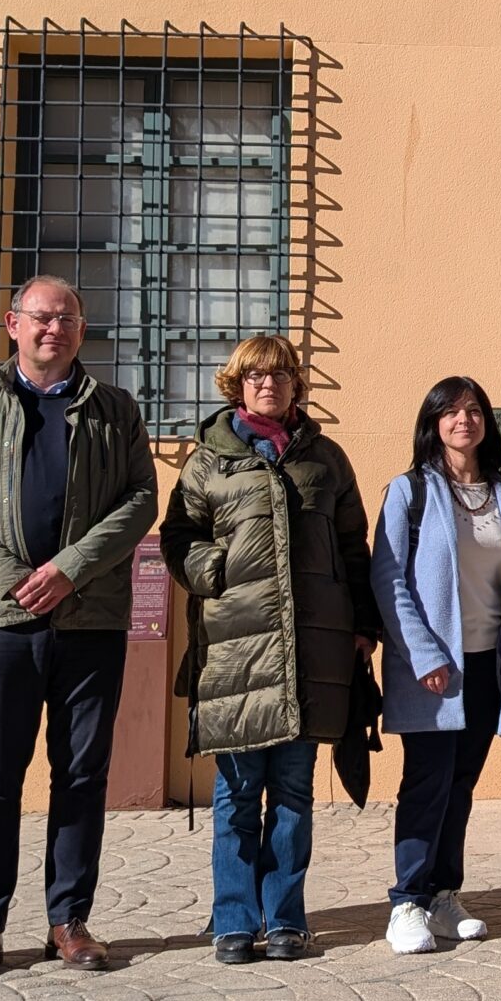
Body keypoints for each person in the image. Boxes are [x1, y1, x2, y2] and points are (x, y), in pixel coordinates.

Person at [0, 276, 158, 978]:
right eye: (41, 317)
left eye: (67, 318)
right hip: (1, 618)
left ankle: (69, 920)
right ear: (12, 325)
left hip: (90, 616)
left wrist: (70, 569)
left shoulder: (116, 409)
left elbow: (140, 498)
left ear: (81, 330)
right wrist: (10, 576)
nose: (53, 328)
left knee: (82, 772)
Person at [161, 334, 379, 965]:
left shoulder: (325, 459)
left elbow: (354, 547)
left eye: (281, 375)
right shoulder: (208, 460)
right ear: (237, 384)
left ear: (295, 386)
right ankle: (233, 919)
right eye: (256, 375)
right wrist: (214, 570)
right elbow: (179, 535)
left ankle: (285, 918)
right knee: (235, 795)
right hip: (235, 650)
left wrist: (363, 624)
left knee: (292, 793)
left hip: (312, 650)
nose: (268, 384)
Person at [371, 376, 501, 955]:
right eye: (450, 411)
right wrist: (423, 653)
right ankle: (407, 901)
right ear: (433, 423)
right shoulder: (411, 491)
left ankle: (443, 896)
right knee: (428, 782)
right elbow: (388, 578)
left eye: (473, 410)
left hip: (488, 664)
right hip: (434, 667)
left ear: (486, 422)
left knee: (461, 784)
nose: (463, 420)